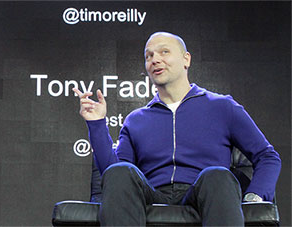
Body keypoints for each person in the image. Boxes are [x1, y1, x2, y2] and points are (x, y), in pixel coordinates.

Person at [73, 32, 281, 226]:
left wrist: (255, 196)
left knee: (217, 175)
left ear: (186, 59)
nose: (155, 59)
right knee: (120, 172)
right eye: (149, 56)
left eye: (164, 52)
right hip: (153, 195)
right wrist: (97, 123)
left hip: (204, 193)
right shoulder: (136, 120)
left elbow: (267, 156)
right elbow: (113, 174)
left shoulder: (223, 107)